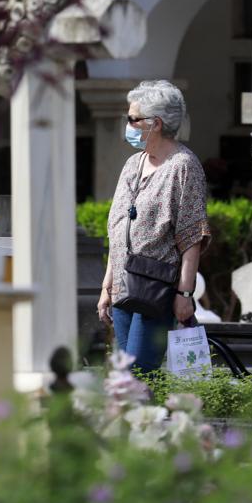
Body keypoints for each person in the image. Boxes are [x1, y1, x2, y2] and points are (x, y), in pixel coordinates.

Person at [98, 80, 211, 372]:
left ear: (155, 123)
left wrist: (184, 294)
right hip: (122, 285)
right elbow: (118, 229)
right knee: (125, 375)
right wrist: (107, 285)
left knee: (138, 373)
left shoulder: (183, 166)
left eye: (133, 118)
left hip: (155, 287)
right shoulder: (132, 164)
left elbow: (192, 236)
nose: (128, 125)